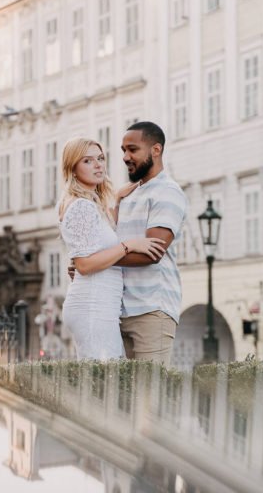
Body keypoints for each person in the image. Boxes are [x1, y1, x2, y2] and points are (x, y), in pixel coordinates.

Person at [58, 138, 166, 360]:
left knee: (105, 382)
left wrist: (116, 199)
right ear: (73, 169)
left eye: (100, 158)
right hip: (93, 306)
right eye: (87, 160)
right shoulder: (81, 206)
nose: (98, 165)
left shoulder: (89, 203)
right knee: (104, 384)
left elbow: (101, 236)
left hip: (100, 305)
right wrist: (129, 245)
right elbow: (84, 264)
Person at [114, 122, 187, 365]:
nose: (125, 157)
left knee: (148, 396)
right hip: (119, 308)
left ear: (156, 150)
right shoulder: (129, 194)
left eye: (132, 149)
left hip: (151, 309)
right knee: (122, 397)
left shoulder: (167, 192)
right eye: (123, 150)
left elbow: (152, 252)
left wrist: (95, 262)